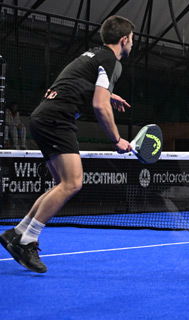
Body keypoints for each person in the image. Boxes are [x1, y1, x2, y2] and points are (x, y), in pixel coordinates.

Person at [0, 16, 135, 273]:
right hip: (57, 119)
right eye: (132, 40)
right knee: (73, 183)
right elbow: (99, 105)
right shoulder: (112, 61)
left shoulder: (92, 55)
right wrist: (116, 140)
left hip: (41, 117)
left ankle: (17, 233)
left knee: (62, 184)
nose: (132, 45)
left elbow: (79, 83)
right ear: (124, 39)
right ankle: (27, 241)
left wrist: (109, 93)